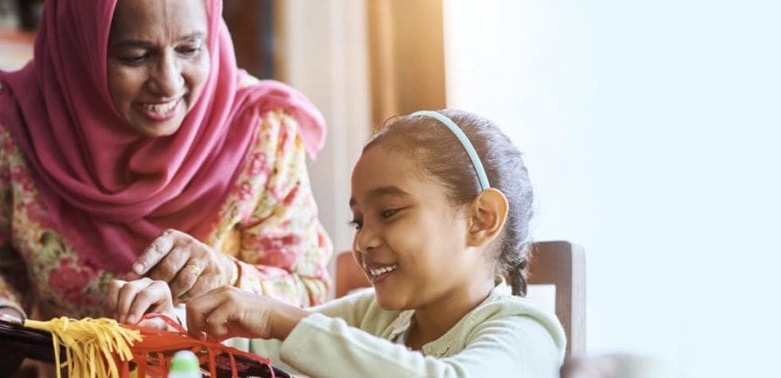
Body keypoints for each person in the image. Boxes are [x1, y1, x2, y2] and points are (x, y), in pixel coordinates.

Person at [0, 0, 332, 324]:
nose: (168, 82)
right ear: (81, 49)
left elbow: (310, 290)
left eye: (190, 49)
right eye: (136, 56)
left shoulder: (261, 130)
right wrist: (2, 318)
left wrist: (226, 276)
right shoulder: (14, 127)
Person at [111, 109, 568, 376]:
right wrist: (163, 324)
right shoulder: (370, 314)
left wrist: (282, 319)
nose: (365, 240)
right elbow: (246, 347)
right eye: (357, 221)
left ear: (481, 219)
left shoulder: (527, 329)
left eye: (389, 213)